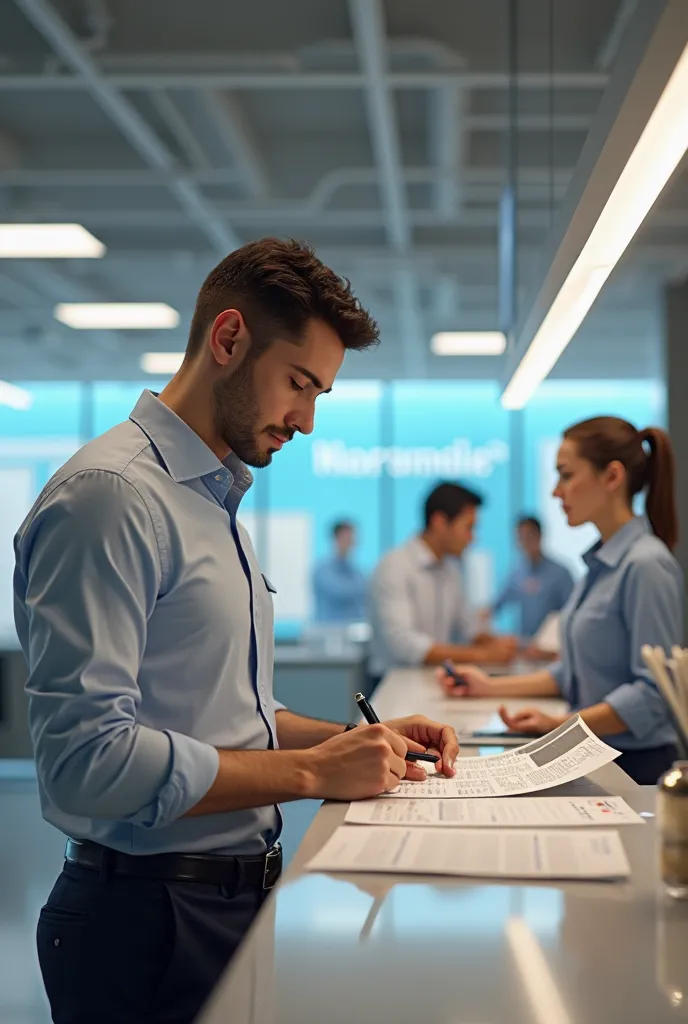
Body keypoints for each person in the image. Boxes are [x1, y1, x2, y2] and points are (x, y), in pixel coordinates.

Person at [14, 238, 460, 1024]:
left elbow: (227, 715)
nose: (308, 421)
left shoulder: (211, 500)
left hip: (222, 905)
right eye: (299, 384)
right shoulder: (111, 498)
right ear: (228, 341)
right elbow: (86, 762)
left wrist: (359, 743)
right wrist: (314, 775)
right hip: (145, 923)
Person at [439, 415, 683, 785]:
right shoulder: (598, 566)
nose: (556, 491)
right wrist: (489, 686)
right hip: (599, 753)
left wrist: (562, 725)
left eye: (566, 475)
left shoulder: (646, 565)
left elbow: (652, 694)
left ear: (612, 477)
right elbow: (572, 672)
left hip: (637, 768)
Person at [368, 481, 519, 685]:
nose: (472, 538)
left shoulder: (451, 571)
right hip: (393, 685)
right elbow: (404, 643)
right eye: (468, 528)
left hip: (435, 680)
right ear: (439, 522)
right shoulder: (394, 566)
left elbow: (470, 627)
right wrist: (483, 655)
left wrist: (497, 645)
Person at [482, 515, 574, 643]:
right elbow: (498, 603)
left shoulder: (561, 573)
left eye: (529, 536)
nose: (525, 542)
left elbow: (572, 613)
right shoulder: (517, 571)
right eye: (521, 538)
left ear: (540, 536)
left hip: (552, 646)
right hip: (524, 645)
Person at [313, 520, 367, 622]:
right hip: (327, 632)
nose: (349, 542)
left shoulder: (357, 573)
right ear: (336, 539)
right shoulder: (323, 571)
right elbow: (341, 592)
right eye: (345, 538)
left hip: (353, 632)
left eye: (351, 538)